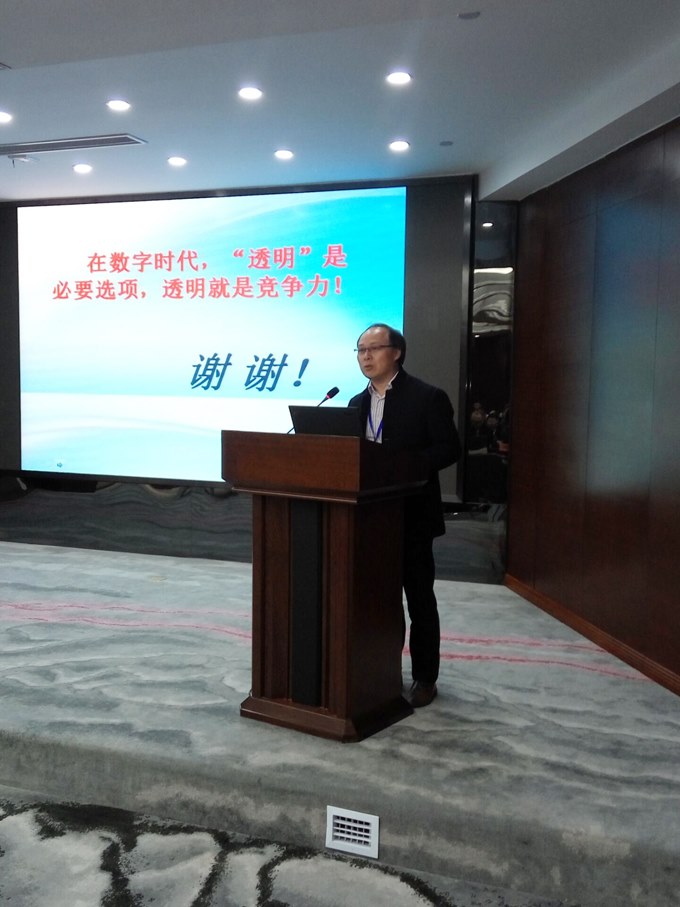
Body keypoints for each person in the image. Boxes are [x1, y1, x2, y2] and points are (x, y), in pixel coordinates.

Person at [349, 323, 461, 707]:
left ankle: (425, 678)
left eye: (373, 348)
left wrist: (405, 466)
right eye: (360, 350)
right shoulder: (355, 403)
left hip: (412, 515)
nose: (365, 356)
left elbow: (448, 448)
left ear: (396, 352)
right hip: (368, 518)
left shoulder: (427, 397)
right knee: (380, 601)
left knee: (418, 599)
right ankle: (383, 671)